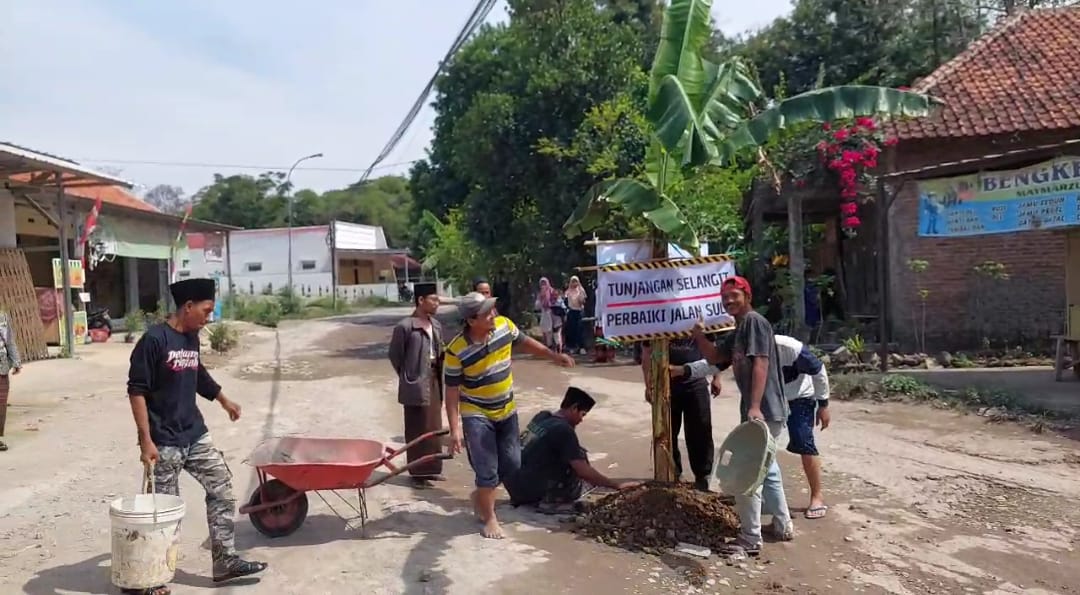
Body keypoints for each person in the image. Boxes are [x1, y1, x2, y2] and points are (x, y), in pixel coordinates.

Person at [126, 279, 266, 594]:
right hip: (164, 441)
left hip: (195, 433)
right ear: (187, 307)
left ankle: (225, 561)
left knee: (223, 489)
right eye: (205, 310)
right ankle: (153, 577)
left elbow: (197, 373)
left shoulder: (191, 338)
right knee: (164, 512)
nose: (208, 317)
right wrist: (144, 440)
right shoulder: (153, 341)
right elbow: (136, 391)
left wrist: (223, 399)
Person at [444, 292, 575, 540]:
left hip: (506, 409)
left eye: (493, 310)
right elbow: (451, 392)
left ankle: (481, 496)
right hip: (476, 413)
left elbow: (524, 342)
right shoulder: (456, 351)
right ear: (471, 320)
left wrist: (553, 356)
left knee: (513, 464)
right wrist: (454, 429)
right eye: (487, 313)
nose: (494, 315)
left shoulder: (504, 326)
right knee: (487, 470)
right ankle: (490, 517)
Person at [691, 275, 793, 557]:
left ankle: (750, 537)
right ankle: (783, 525)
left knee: (748, 472)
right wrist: (699, 336)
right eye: (725, 298)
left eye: (734, 295)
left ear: (747, 295)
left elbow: (761, 362)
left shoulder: (754, 322)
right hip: (762, 409)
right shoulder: (738, 330)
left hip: (766, 408)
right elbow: (715, 358)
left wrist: (755, 405)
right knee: (768, 468)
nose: (729, 301)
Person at [679, 333, 832, 519]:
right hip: (768, 398)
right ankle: (770, 506)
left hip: (798, 395)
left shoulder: (788, 347)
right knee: (759, 449)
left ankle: (816, 496)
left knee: (803, 441)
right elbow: (713, 364)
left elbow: (818, 370)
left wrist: (823, 405)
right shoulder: (741, 350)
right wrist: (683, 370)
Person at [505, 387, 640, 512]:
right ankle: (553, 501)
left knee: (572, 451)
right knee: (581, 463)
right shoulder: (563, 430)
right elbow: (582, 470)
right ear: (574, 408)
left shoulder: (542, 417)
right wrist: (615, 485)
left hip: (513, 484)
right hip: (530, 491)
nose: (581, 420)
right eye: (583, 414)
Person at [640, 336, 722, 492]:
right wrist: (648, 384)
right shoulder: (656, 325)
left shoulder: (697, 321)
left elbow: (713, 351)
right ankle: (674, 473)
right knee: (667, 433)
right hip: (665, 384)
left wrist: (717, 377)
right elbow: (646, 354)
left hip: (696, 382)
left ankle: (703, 475)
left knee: (701, 431)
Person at [388, 282, 446, 488]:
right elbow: (395, 355)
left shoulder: (436, 325)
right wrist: (408, 376)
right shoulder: (405, 326)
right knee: (416, 427)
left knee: (434, 426)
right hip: (415, 382)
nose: (437, 303)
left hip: (435, 379)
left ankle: (432, 469)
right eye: (434, 299)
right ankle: (417, 473)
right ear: (421, 301)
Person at [0, 310, 22, 452]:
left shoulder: (2, 317)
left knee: (1, 403)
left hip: (1, 366)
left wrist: (16, 361)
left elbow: (9, 341)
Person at [564, 276, 587, 355]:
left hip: (579, 312)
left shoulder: (581, 290)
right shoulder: (568, 292)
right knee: (571, 330)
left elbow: (583, 301)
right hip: (571, 312)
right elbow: (566, 302)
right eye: (573, 281)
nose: (574, 283)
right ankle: (572, 347)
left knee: (580, 330)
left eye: (576, 281)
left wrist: (580, 295)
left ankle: (581, 347)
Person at [535, 277, 556, 347]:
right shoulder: (540, 293)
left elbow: (555, 300)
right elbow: (537, 305)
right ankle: (547, 344)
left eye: (544, 283)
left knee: (551, 329)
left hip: (552, 312)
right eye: (542, 283)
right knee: (544, 329)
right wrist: (541, 297)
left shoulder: (551, 291)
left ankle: (552, 344)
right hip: (544, 312)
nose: (543, 285)